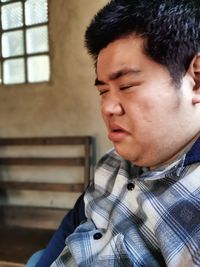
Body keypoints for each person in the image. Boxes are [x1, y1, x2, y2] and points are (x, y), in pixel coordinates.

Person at [33, 0, 200, 266]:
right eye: (102, 91)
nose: (108, 107)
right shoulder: (112, 162)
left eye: (127, 85)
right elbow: (72, 224)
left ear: (196, 80)